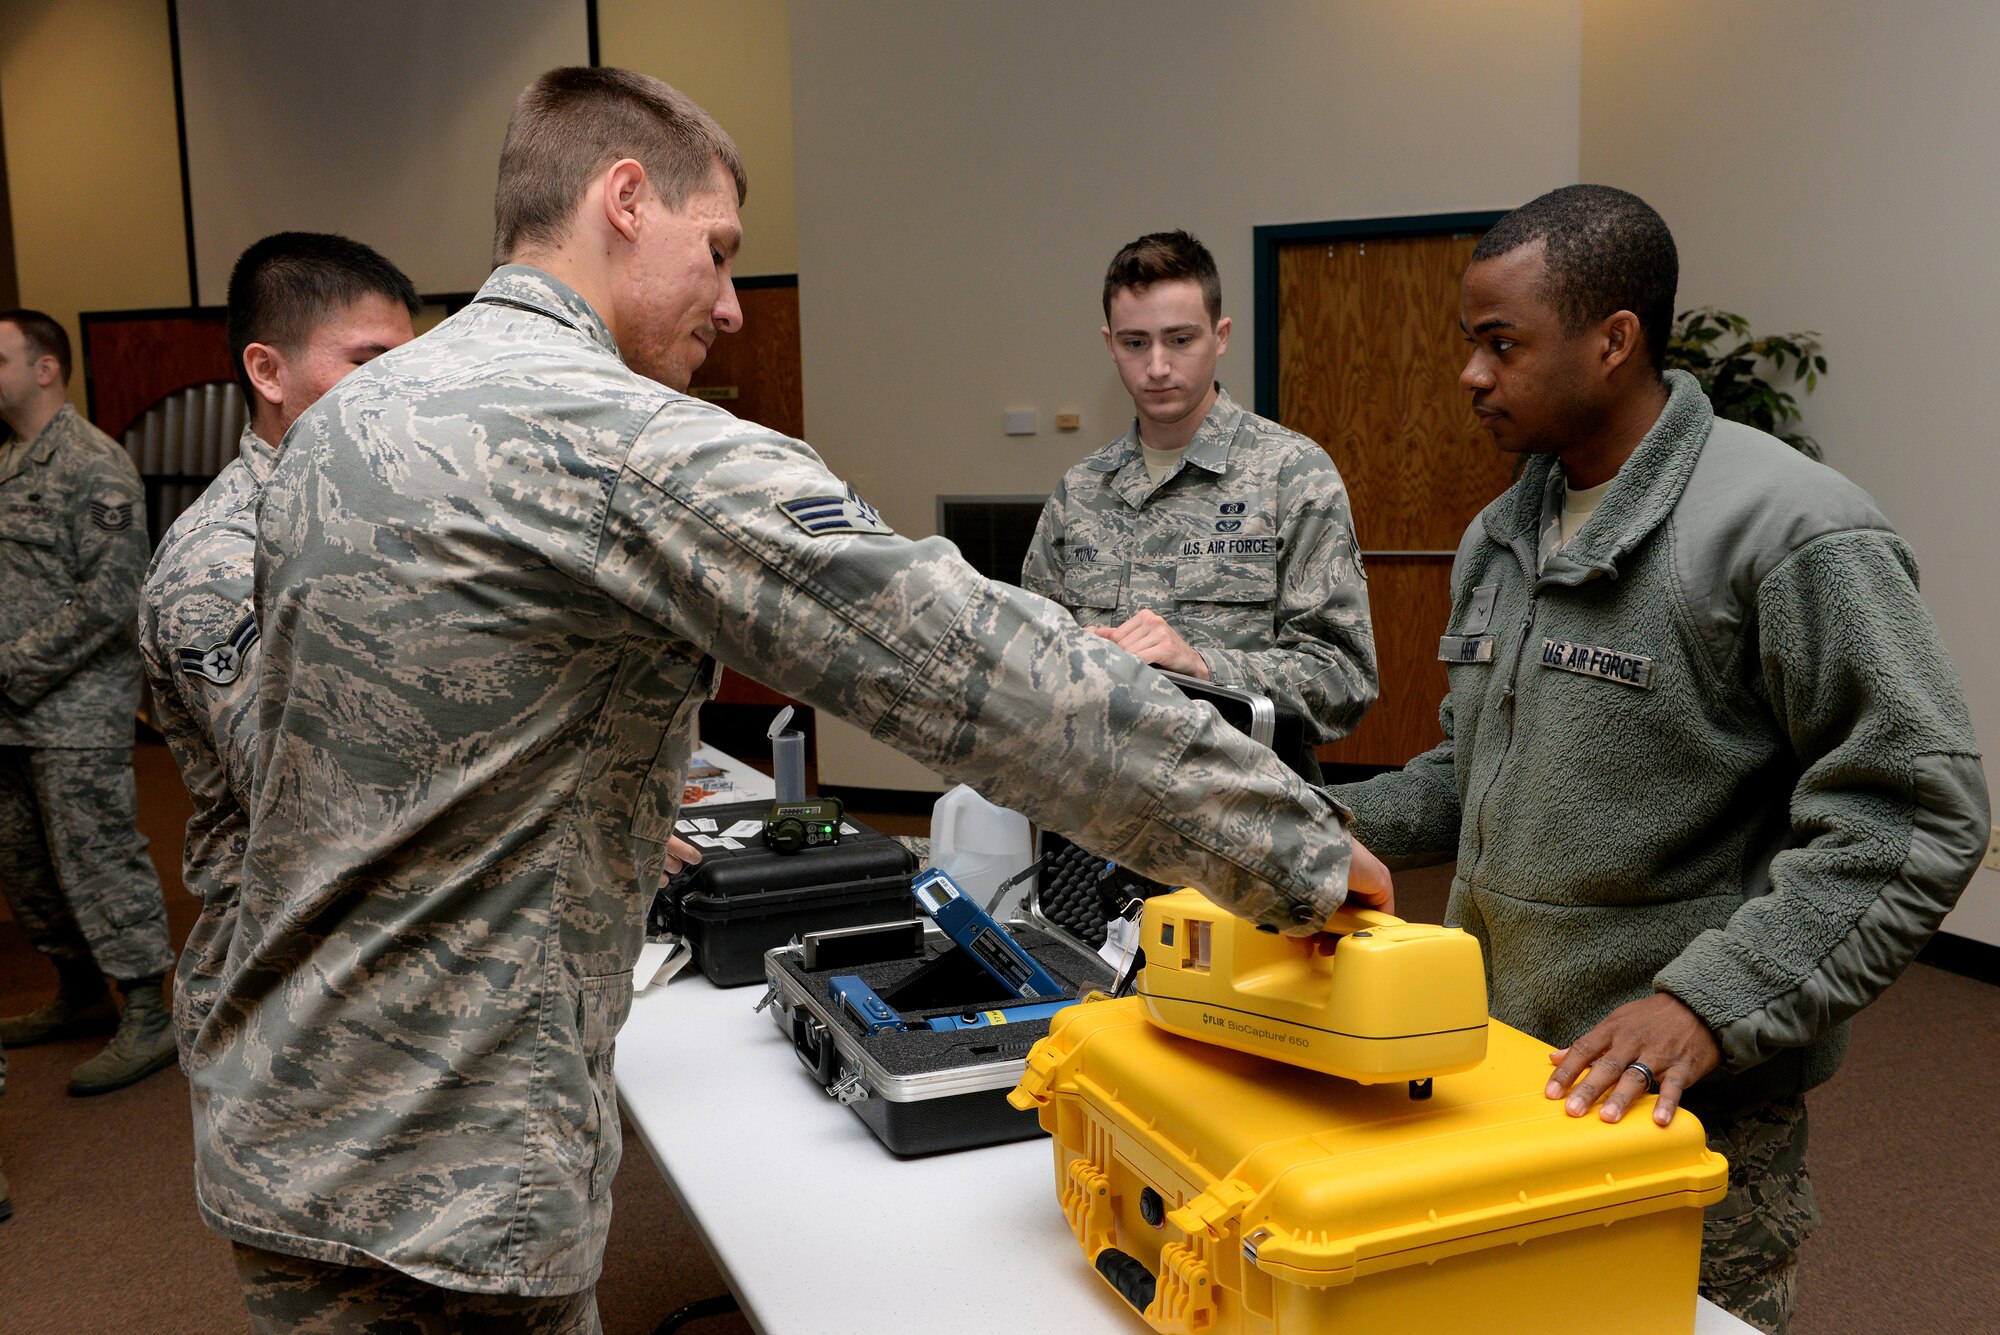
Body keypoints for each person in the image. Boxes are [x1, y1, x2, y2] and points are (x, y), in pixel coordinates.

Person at [193, 68, 1392, 1332]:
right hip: (455, 1173)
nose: (730, 307)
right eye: (716, 253)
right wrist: (1290, 844)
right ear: (623, 200)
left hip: (286, 1111)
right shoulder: (623, 440)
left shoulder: (345, 422)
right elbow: (974, 669)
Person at [1326, 184, 1987, 1334]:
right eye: (1467, 345)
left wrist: (1706, 1004)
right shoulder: (1500, 535)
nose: (1469, 377)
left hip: (1685, 1104)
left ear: (1612, 338)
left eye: (1500, 345)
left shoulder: (1787, 531)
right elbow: (1465, 766)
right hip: (1507, 1066)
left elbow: (1913, 815)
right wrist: (1324, 830)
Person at [138, 232, 421, 1068]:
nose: (398, 392)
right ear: (268, 372)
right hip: (292, 1003)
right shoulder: (221, 562)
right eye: (369, 361)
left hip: (385, 959)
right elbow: (312, 797)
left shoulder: (363, 515)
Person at [1021, 230, 1376, 778]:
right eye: (1136, 343)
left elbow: (1343, 680)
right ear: (1110, 343)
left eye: (1180, 340)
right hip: (1101, 814)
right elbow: (1027, 663)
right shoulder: (1080, 491)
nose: (1157, 366)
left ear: (1221, 335)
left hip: (1247, 813)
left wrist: (1204, 667)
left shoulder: (1292, 475)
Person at [0, 309, 177, 1096]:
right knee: (25, 863)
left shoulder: (92, 464)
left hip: (73, 706)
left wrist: (10, 667)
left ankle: (147, 1009)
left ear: (45, 368)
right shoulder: (7, 461)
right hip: (12, 712)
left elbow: (112, 599)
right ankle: (77, 991)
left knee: (96, 854)